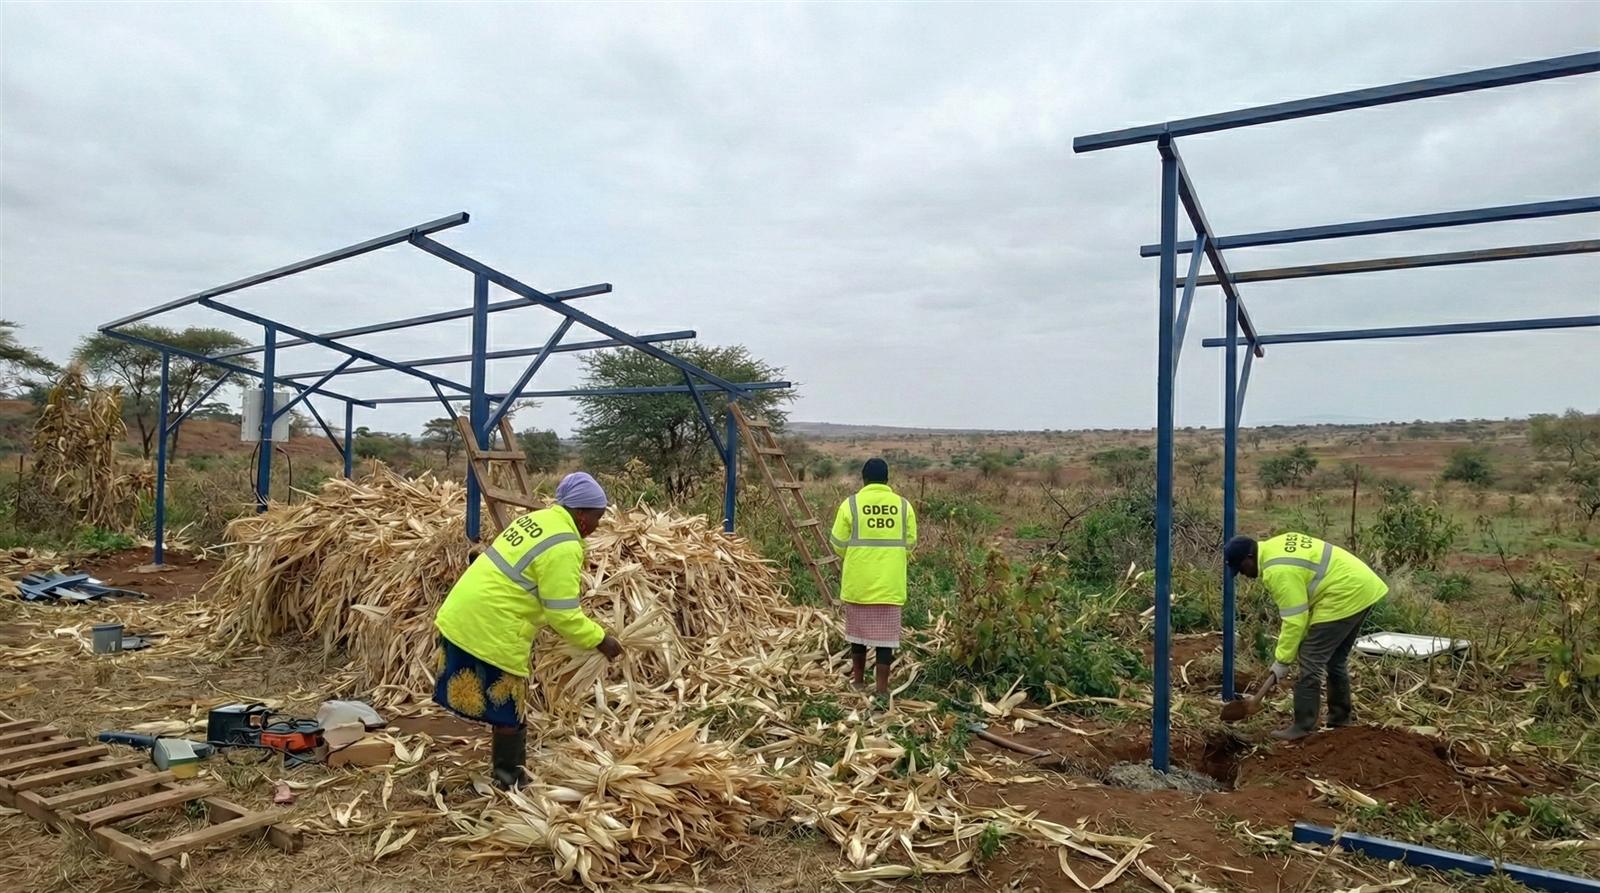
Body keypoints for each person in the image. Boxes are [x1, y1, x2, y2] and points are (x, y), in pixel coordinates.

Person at [432, 472, 623, 788]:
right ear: (579, 513)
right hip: (490, 625)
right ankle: (509, 781)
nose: (597, 526)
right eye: (596, 517)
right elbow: (562, 615)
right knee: (510, 710)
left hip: (464, 612)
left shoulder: (538, 520)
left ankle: (507, 773)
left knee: (504, 707)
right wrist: (602, 640)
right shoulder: (564, 545)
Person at [1223, 531, 1387, 741]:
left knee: (1311, 657)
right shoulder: (1275, 546)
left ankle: (1302, 726)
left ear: (1250, 558)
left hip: (1344, 593)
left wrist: (1282, 660)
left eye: (1241, 568)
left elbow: (1295, 620)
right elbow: (1301, 610)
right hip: (1361, 587)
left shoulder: (1278, 571)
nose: (1243, 574)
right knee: (1335, 659)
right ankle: (1339, 719)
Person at [830, 458, 917, 700]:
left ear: (864, 478)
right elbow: (910, 543)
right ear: (887, 479)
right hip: (889, 584)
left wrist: (857, 556)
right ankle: (881, 690)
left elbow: (837, 543)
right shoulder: (903, 506)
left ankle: (858, 682)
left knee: (857, 636)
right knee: (885, 641)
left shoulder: (851, 505)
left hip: (859, 582)